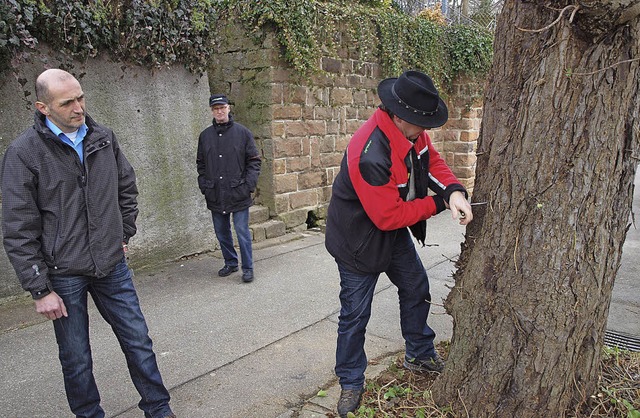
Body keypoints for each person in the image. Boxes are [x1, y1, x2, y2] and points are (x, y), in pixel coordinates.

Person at [0, 69, 175, 418]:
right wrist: (39, 288)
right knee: (76, 357)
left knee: (138, 342)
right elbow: (18, 225)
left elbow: (127, 188)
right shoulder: (24, 153)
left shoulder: (103, 138)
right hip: (62, 274)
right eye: (67, 102)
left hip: (112, 266)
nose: (78, 107)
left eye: (80, 98)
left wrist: (122, 234)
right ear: (43, 107)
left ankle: (159, 409)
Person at [324, 70, 474, 417]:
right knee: (355, 315)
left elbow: (431, 162)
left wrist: (453, 192)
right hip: (357, 241)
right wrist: (439, 204)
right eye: (422, 124)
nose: (426, 131)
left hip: (390, 233)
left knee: (416, 286)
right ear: (401, 115)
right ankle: (350, 380)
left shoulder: (412, 133)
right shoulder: (370, 153)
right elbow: (387, 216)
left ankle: (419, 353)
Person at [196, 94, 262, 283]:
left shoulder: (243, 133)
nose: (219, 111)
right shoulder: (205, 136)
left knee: (242, 232)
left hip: (238, 191)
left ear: (228, 108)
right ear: (211, 111)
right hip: (215, 192)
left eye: (222, 107)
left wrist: (249, 185)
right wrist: (204, 185)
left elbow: (254, 161)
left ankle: (247, 268)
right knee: (221, 231)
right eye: (216, 108)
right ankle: (230, 262)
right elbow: (200, 163)